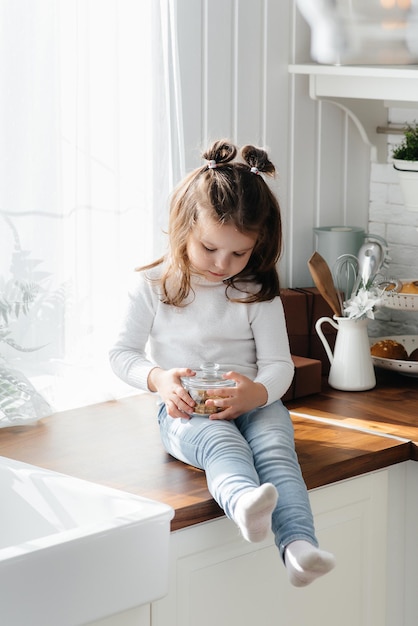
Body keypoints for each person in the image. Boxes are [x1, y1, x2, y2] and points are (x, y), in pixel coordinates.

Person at [109, 139, 336, 587]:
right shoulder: (152, 286)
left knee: (276, 452)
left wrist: (258, 393)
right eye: (210, 248)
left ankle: (299, 548)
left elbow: (278, 364)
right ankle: (245, 504)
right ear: (183, 229)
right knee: (223, 447)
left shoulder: (254, 291)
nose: (222, 264)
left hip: (253, 403)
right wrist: (158, 379)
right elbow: (122, 355)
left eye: (239, 253)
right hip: (186, 409)